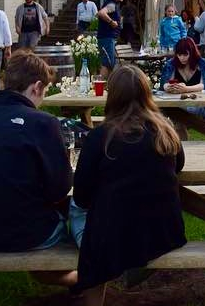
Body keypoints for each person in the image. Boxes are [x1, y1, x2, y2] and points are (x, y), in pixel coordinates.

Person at [0, 51, 82, 287]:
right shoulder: (43, 123)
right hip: (31, 234)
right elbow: (60, 189)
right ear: (37, 87)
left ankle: (68, 279)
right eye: (44, 92)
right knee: (79, 208)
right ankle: (83, 278)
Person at [72, 65, 186, 304]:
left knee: (77, 211)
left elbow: (81, 196)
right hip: (164, 229)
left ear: (112, 95)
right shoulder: (166, 131)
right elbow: (178, 167)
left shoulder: (100, 137)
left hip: (115, 234)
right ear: (147, 94)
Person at [95, 0, 124, 78]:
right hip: (106, 38)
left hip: (108, 38)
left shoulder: (113, 4)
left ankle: (109, 86)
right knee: (107, 63)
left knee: (110, 63)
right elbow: (101, 13)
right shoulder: (111, 4)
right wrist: (111, 22)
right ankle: (99, 86)